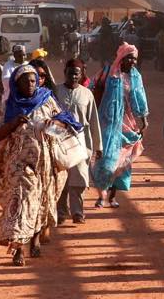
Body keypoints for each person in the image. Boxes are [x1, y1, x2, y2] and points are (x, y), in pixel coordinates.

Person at [0, 64, 81, 266]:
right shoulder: (8, 106)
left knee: (40, 201)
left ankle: (35, 238)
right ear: (16, 83)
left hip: (45, 164)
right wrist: (13, 124)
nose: (30, 84)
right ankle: (19, 248)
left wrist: (54, 124)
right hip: (18, 164)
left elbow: (66, 121)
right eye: (25, 81)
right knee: (22, 200)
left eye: (33, 80)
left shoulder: (47, 100)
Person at [92, 43, 149, 208]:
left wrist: (144, 121)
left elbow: (140, 98)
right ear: (121, 57)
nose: (132, 62)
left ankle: (112, 196)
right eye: (129, 58)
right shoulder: (108, 72)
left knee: (122, 160)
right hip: (107, 122)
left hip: (127, 122)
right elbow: (91, 88)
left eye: (135, 59)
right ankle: (101, 196)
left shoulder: (135, 77)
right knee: (107, 159)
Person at [55, 59, 102, 225]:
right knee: (61, 178)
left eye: (77, 73)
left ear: (81, 75)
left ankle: (77, 212)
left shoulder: (87, 94)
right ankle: (61, 212)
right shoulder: (56, 91)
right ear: (65, 72)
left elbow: (93, 120)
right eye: (70, 73)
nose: (73, 76)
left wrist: (98, 146)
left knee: (79, 178)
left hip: (81, 142)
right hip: (59, 142)